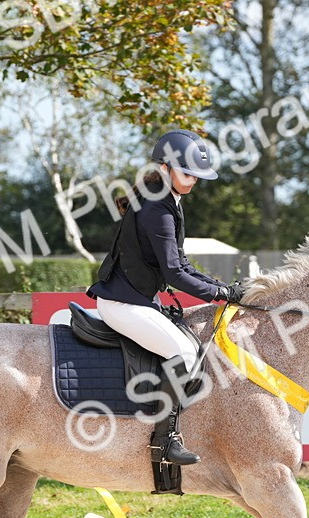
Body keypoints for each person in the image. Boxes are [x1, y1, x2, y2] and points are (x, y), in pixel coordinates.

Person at [87, 130, 244, 466]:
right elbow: (173, 273)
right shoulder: (157, 207)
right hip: (122, 304)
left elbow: (182, 263)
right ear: (165, 167)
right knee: (185, 352)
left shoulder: (166, 198)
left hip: (136, 300)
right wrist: (218, 293)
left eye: (197, 175)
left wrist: (223, 288)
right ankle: (164, 441)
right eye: (188, 173)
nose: (194, 181)